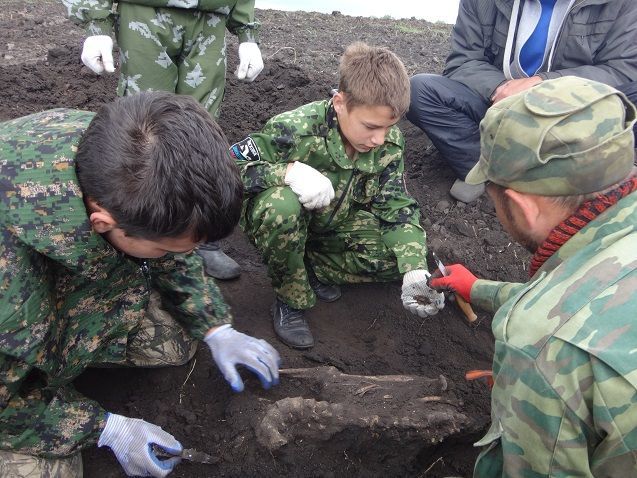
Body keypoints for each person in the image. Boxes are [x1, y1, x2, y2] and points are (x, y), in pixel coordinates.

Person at [0, 92, 280, 478]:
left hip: (52, 289)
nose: (177, 256)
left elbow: (175, 241)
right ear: (103, 223)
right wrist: (105, 428)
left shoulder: (124, 154)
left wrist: (216, 327)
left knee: (174, 341)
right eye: (163, 250)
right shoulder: (10, 277)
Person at [430, 76, 637, 476]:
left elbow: (559, 328)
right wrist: (478, 290)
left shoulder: (541, 346)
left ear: (522, 207)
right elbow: (591, 298)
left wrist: (532, 390)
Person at [231, 42, 445, 350]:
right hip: (285, 223)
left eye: (388, 128)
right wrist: (287, 173)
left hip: (335, 225)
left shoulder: (388, 143)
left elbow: (396, 207)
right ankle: (290, 296)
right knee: (280, 206)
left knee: (404, 257)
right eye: (371, 127)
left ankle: (312, 266)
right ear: (340, 103)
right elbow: (227, 168)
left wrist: (413, 268)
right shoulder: (295, 128)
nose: (379, 139)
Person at [63, 0, 266, 280]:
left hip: (211, 13)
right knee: (144, 133)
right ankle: (137, 241)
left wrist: (247, 32)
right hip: (145, 10)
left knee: (198, 130)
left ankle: (194, 237)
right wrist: (96, 22)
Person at [407, 0, 637, 203]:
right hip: (497, 106)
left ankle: (573, 177)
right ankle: (489, 172)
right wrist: (501, 89)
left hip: (570, 114)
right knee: (420, 90)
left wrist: (542, 84)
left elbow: (622, 70)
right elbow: (463, 61)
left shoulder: (622, 4)